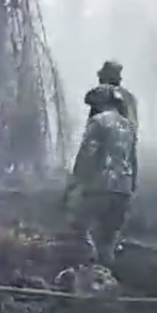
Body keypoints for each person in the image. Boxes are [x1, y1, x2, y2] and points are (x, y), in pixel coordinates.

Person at [63, 82, 138, 267]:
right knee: (108, 238)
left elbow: (87, 155)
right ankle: (106, 276)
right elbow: (133, 160)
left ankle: (91, 271)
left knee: (77, 223)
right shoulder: (127, 126)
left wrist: (74, 183)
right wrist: (131, 187)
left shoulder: (98, 123)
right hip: (123, 189)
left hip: (100, 186)